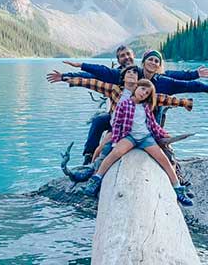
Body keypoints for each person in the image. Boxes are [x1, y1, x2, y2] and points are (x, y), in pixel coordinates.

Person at [46, 45, 208, 162]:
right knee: (98, 121)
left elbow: (178, 81)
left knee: (159, 105)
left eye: (128, 54)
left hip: (147, 120)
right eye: (122, 56)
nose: (126, 58)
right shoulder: (119, 75)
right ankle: (89, 158)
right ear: (118, 60)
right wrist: (66, 75)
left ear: (134, 56)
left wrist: (196, 76)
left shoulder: (151, 72)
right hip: (121, 120)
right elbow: (95, 77)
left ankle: (163, 149)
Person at [83, 79, 194, 207]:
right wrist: (116, 141)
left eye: (147, 93)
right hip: (129, 137)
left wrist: (163, 134)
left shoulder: (146, 107)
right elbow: (117, 124)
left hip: (145, 138)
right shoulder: (124, 104)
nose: (143, 93)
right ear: (136, 88)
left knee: (163, 159)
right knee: (115, 153)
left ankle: (177, 189)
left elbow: (152, 124)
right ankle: (96, 178)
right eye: (142, 89)